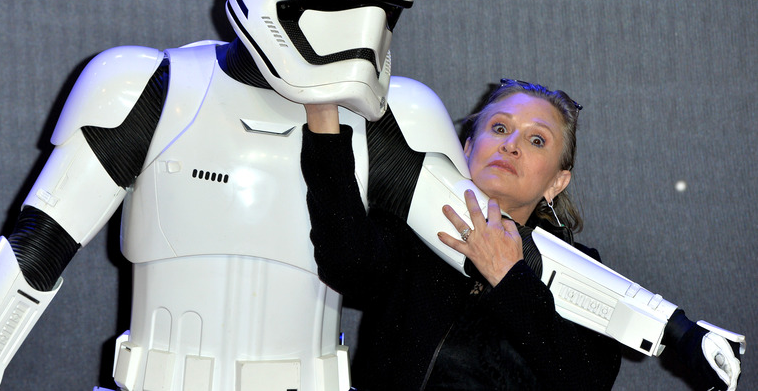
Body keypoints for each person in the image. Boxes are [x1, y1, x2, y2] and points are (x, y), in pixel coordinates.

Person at [0, 0, 416, 389]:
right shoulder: (151, 87)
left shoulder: (396, 120)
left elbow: (462, 260)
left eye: (384, 9)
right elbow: (34, 253)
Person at [302, 78, 744, 390]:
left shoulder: (587, 276)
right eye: (498, 128)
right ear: (468, 148)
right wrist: (322, 113)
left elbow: (583, 381)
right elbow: (346, 263)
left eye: (537, 141)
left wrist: (511, 278)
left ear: (556, 181)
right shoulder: (414, 234)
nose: (511, 144)